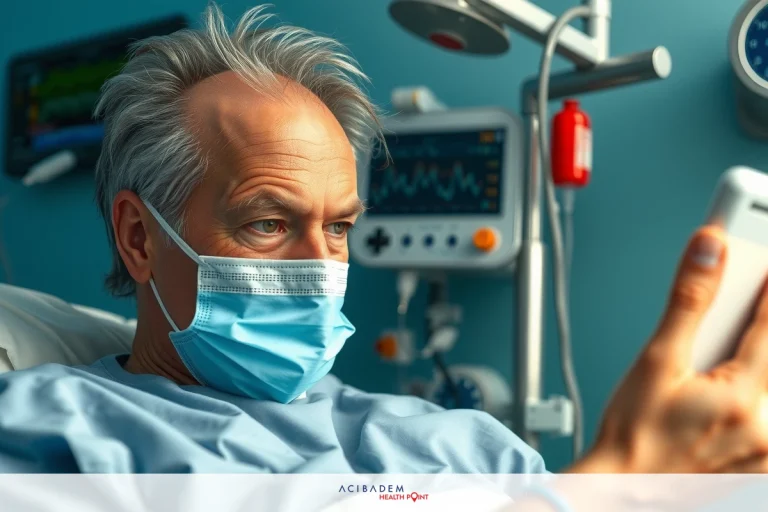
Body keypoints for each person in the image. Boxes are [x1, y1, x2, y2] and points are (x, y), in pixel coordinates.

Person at [0, 4, 767, 474]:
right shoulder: (52, 434)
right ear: (139, 237)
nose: (320, 268)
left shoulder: (456, 444)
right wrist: (627, 483)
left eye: (337, 228)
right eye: (268, 223)